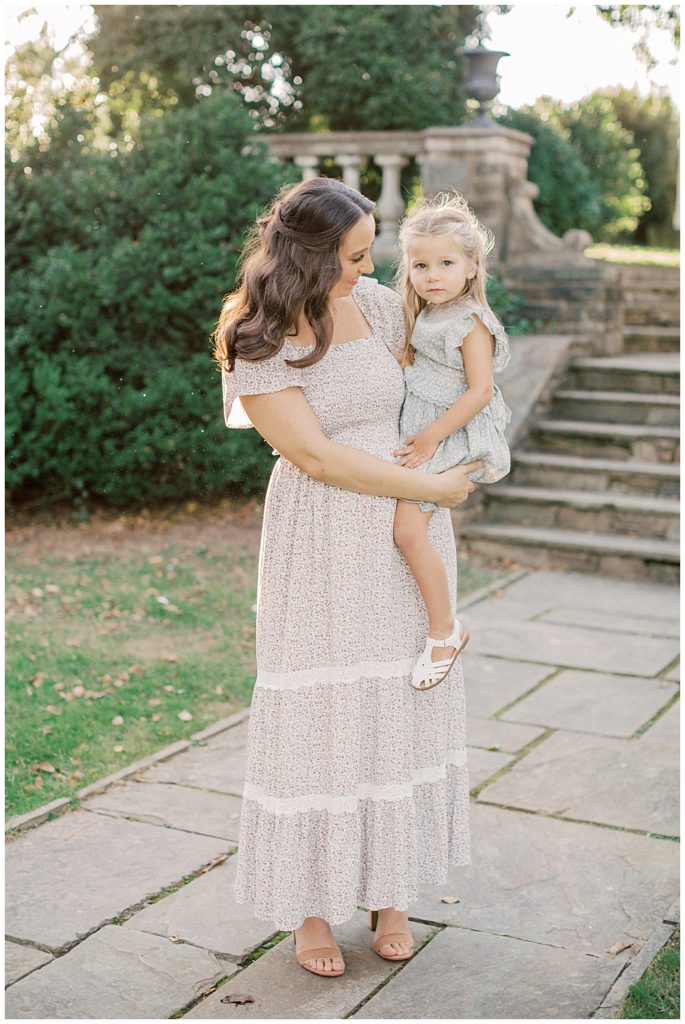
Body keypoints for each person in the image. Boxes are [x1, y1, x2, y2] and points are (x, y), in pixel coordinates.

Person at [213, 177, 482, 979]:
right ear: (309, 254)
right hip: (323, 534)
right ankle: (310, 909)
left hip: (401, 538)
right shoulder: (252, 332)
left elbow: (447, 370)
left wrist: (453, 449)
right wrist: (428, 490)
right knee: (323, 712)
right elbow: (314, 455)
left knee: (397, 704)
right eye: (355, 257)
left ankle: (388, 894)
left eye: (371, 254)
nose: (368, 271)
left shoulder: (386, 307)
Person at [392, 192, 512, 693]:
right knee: (403, 530)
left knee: (407, 532)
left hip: (452, 435)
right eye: (421, 265)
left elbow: (480, 390)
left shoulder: (470, 321)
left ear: (471, 266)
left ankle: (445, 631)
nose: (433, 274)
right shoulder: (423, 315)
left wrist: (432, 435)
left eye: (445, 263)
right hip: (425, 430)